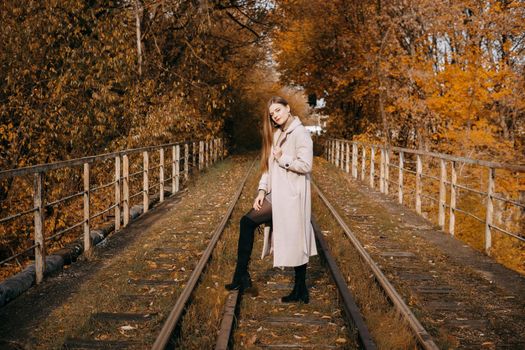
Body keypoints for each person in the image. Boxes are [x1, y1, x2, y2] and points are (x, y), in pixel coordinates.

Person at [225, 96, 318, 304]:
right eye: (272, 113)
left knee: (297, 239)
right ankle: (241, 276)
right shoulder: (277, 135)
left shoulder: (301, 134)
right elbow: (268, 168)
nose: (275, 115)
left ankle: (300, 289)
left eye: (277, 110)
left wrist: (282, 157)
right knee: (247, 222)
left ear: (288, 108)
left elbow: (306, 166)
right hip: (276, 195)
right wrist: (260, 191)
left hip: (292, 197)